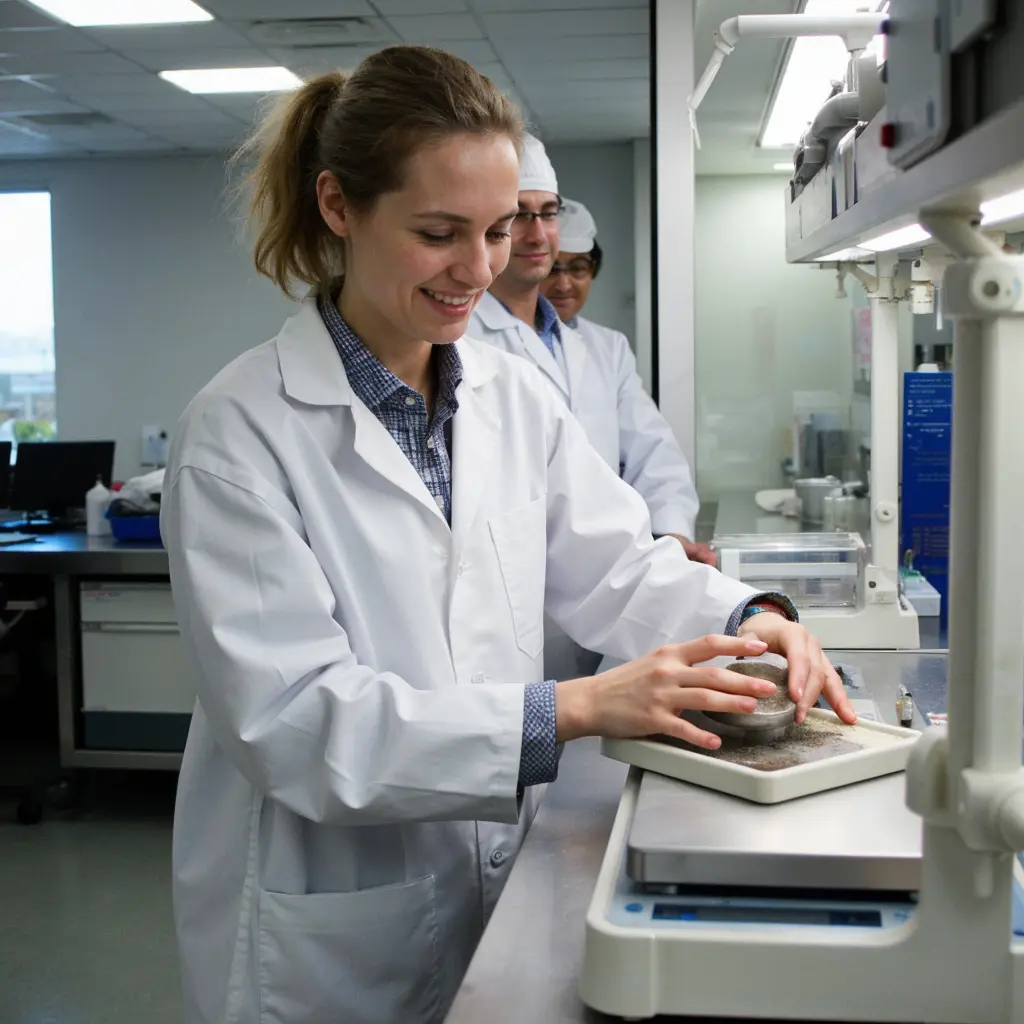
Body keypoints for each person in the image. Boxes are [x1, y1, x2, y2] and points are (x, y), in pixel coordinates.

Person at [161, 46, 855, 1024]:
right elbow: (300, 725)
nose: (479, 270)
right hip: (324, 934)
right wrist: (568, 709)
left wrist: (752, 615)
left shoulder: (507, 393)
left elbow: (616, 564)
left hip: (491, 876)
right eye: (439, 233)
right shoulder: (239, 434)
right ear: (336, 205)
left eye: (495, 231)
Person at [539, 197, 715, 567]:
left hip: (602, 557)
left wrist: (672, 535)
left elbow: (652, 449)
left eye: (578, 268)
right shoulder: (481, 340)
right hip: (528, 556)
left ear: (594, 270)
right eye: (551, 269)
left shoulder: (609, 347)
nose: (564, 283)